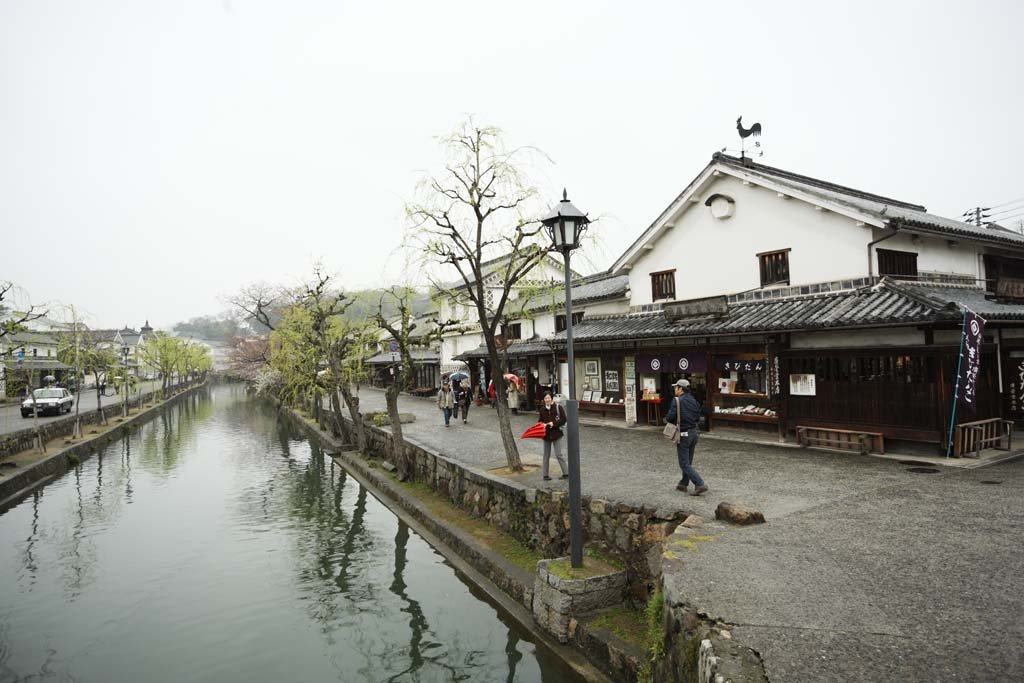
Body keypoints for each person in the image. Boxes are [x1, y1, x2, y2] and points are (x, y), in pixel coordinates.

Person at [664, 379, 708, 495]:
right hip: (694, 433)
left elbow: (670, 417)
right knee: (688, 461)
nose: (675, 390)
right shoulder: (694, 401)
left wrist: (670, 418)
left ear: (680, 389)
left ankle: (699, 484)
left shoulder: (677, 401)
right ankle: (683, 483)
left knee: (684, 463)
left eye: (676, 387)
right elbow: (698, 417)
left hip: (684, 434)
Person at [537, 393, 568, 481]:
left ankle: (566, 473)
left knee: (558, 454)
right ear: (544, 400)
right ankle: (545, 475)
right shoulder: (542, 409)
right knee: (546, 455)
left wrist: (553, 423)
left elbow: (563, 419)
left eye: (549, 398)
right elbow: (539, 421)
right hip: (546, 435)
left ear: (552, 399)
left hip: (557, 434)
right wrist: (542, 425)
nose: (547, 400)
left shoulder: (558, 408)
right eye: (545, 398)